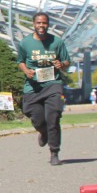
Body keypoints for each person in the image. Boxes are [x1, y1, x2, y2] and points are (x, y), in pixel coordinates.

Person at [17, 12, 71, 166]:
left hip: (53, 84)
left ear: (48, 24)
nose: (42, 26)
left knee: (53, 117)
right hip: (33, 86)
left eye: (44, 23)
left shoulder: (57, 42)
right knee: (36, 118)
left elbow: (67, 62)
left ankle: (54, 152)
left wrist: (62, 65)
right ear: (34, 24)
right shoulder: (25, 43)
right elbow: (20, 61)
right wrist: (26, 71)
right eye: (39, 23)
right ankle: (43, 131)